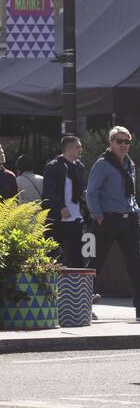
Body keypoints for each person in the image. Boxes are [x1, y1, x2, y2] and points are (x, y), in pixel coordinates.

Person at [85, 126, 140, 322]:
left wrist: (136, 212)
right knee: (94, 264)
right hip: (107, 219)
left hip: (129, 219)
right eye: (120, 141)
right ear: (111, 143)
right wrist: (99, 216)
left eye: (127, 142)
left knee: (136, 264)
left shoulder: (129, 164)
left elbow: (130, 194)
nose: (124, 145)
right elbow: (91, 192)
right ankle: (83, 308)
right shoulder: (102, 164)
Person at [43, 135, 89, 268]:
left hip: (75, 219)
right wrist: (60, 207)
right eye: (77, 146)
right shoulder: (54, 166)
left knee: (77, 256)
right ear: (68, 149)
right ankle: (48, 286)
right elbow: (49, 191)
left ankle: (79, 286)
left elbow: (78, 189)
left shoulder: (79, 167)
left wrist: (84, 197)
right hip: (57, 219)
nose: (81, 149)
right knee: (51, 254)